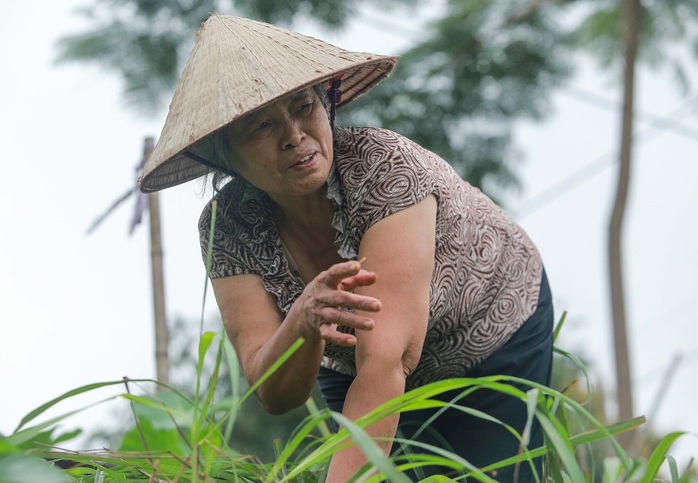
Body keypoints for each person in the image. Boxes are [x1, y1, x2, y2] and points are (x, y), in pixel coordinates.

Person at [139, 14, 554, 482]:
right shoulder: (227, 226)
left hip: (490, 329)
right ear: (223, 155)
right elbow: (274, 392)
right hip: (357, 366)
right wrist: (303, 318)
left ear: (327, 102)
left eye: (303, 107)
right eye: (260, 126)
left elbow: (389, 359)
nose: (293, 135)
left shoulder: (383, 168)